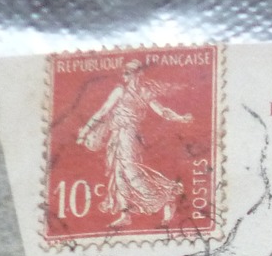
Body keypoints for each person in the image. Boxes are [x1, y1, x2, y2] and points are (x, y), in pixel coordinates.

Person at [75, 60, 193, 229]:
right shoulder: (119, 91)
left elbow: (162, 111)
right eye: (124, 73)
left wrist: (180, 118)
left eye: (128, 73)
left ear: (138, 74)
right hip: (116, 134)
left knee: (131, 172)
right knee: (118, 174)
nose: (125, 76)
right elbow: (103, 112)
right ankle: (125, 214)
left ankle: (166, 198)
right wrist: (85, 131)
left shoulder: (144, 92)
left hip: (130, 134)